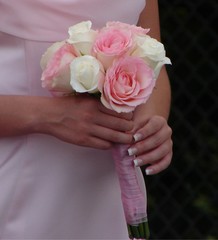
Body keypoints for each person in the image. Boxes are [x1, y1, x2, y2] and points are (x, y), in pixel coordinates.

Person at [0, 0, 173, 239]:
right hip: (16, 178)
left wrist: (150, 124)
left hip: (109, 188)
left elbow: (154, 60)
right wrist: (47, 115)